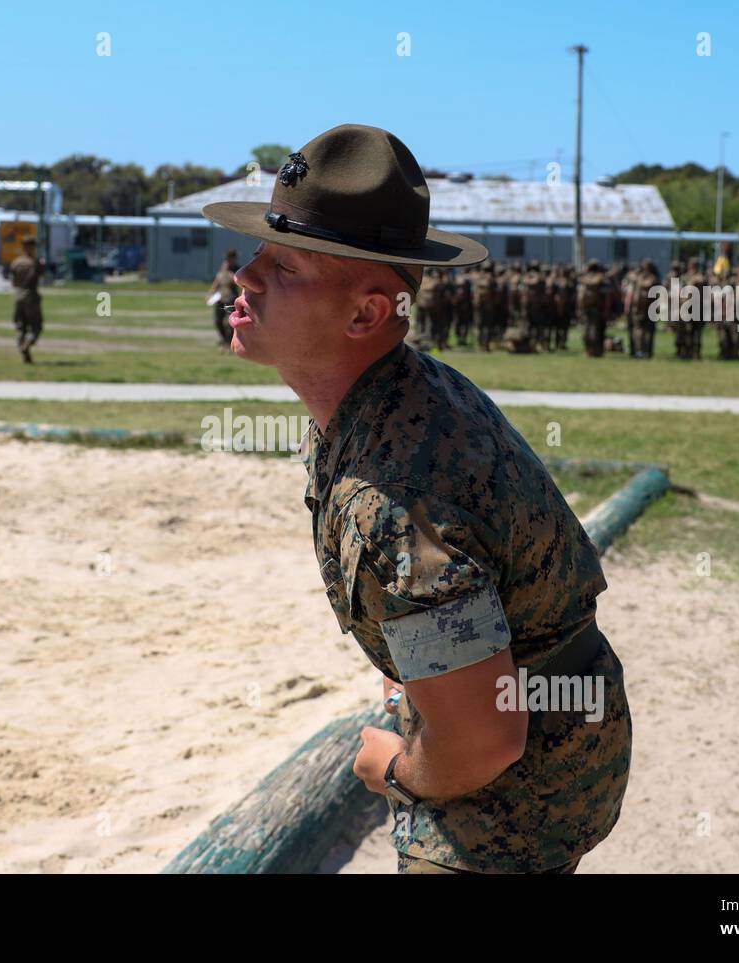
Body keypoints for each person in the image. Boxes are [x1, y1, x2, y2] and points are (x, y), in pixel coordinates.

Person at [202, 123, 631, 875]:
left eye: (286, 265)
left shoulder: (397, 496)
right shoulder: (395, 392)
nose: (247, 276)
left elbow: (484, 741)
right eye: (260, 252)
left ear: (367, 314)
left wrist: (395, 767)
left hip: (508, 801)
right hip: (553, 737)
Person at [9, 237, 44, 364]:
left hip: (18, 297)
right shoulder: (35, 262)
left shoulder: (16, 262)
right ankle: (27, 345)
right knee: (36, 327)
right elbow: (42, 274)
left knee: (21, 328)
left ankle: (24, 352)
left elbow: (12, 281)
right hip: (31, 297)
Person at [207, 249, 241, 346]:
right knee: (218, 321)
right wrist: (211, 292)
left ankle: (229, 341)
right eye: (226, 259)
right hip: (220, 298)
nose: (227, 261)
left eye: (229, 259)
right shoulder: (223, 267)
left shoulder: (238, 270)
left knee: (230, 322)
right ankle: (224, 338)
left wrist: (232, 276)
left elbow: (241, 285)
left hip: (232, 298)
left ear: (234, 259)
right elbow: (217, 280)